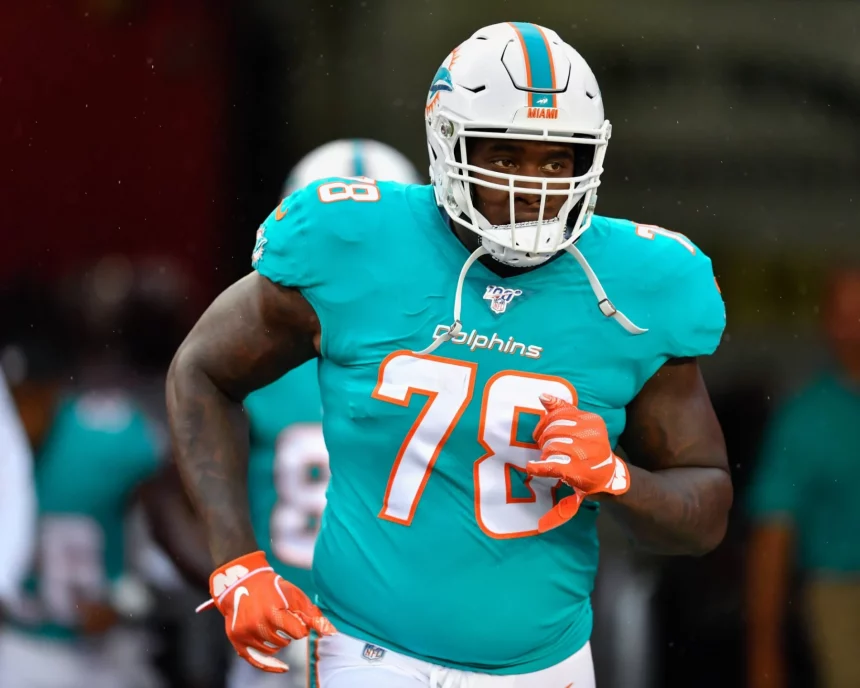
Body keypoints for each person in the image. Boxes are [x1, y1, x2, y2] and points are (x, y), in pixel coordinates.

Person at [167, 21, 731, 688]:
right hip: (366, 652)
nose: (534, 186)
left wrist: (615, 476)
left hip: (543, 668)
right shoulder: (355, 239)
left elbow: (706, 510)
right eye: (505, 155)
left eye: (558, 159)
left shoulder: (642, 281)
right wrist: (237, 562)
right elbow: (202, 371)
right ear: (445, 142)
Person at [224, 140, 421, 688]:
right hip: (280, 642)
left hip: (406, 645)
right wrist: (240, 583)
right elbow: (178, 489)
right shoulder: (245, 362)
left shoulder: (447, 354)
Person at [747, 268, 860, 688]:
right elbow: (772, 536)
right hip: (840, 592)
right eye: (844, 314)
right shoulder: (805, 418)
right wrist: (763, 652)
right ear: (826, 323)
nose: (854, 329)